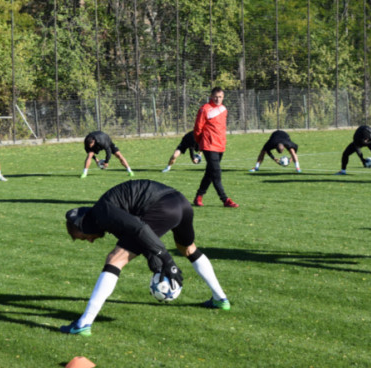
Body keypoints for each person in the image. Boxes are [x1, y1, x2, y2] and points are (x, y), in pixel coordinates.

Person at [60, 180, 231, 336]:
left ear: (84, 225)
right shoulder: (104, 214)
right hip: (181, 203)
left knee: (114, 259)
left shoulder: (102, 211)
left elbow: (140, 229)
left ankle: (84, 323)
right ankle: (220, 299)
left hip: (163, 207)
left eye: (85, 237)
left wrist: (167, 260)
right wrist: (156, 264)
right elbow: (143, 239)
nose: (90, 241)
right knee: (187, 248)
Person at [192, 87, 238, 207]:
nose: (218, 99)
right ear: (211, 96)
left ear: (223, 97)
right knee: (216, 172)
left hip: (220, 145)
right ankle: (225, 199)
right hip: (209, 145)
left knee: (210, 173)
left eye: (220, 97)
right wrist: (199, 143)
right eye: (215, 97)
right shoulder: (204, 109)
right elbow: (198, 128)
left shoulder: (223, 109)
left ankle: (198, 197)